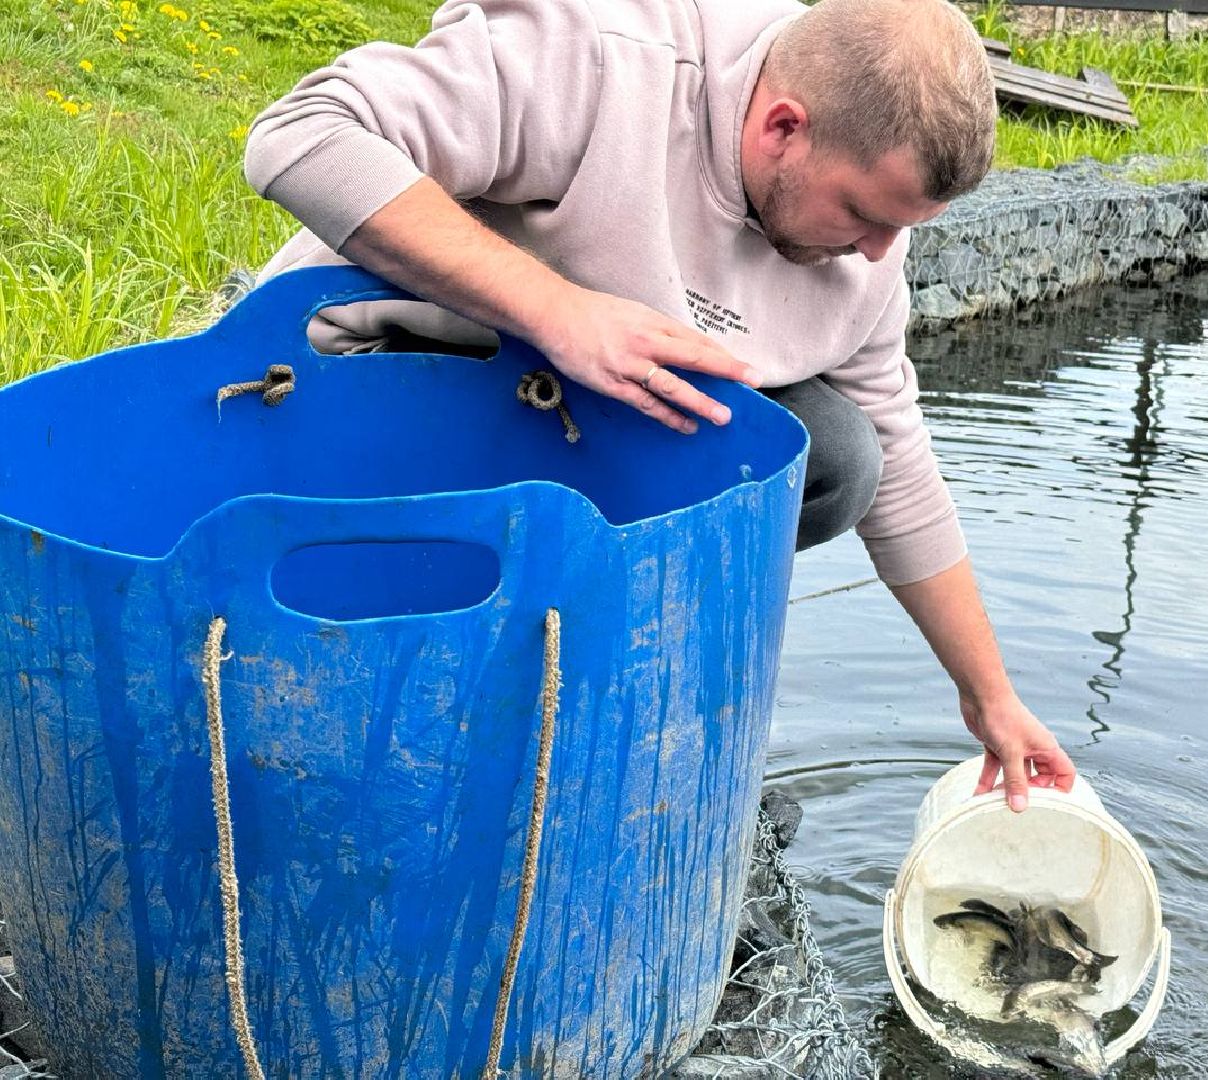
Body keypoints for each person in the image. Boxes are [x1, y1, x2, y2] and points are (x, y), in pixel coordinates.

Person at [245, 0, 1076, 810]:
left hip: (566, 420)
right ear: (783, 126)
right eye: (862, 212)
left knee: (835, 454)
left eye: (902, 226)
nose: (874, 252)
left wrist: (989, 698)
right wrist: (558, 311)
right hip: (376, 375)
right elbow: (302, 134)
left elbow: (899, 474)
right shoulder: (598, 54)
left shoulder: (868, 248)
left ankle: (598, 720)